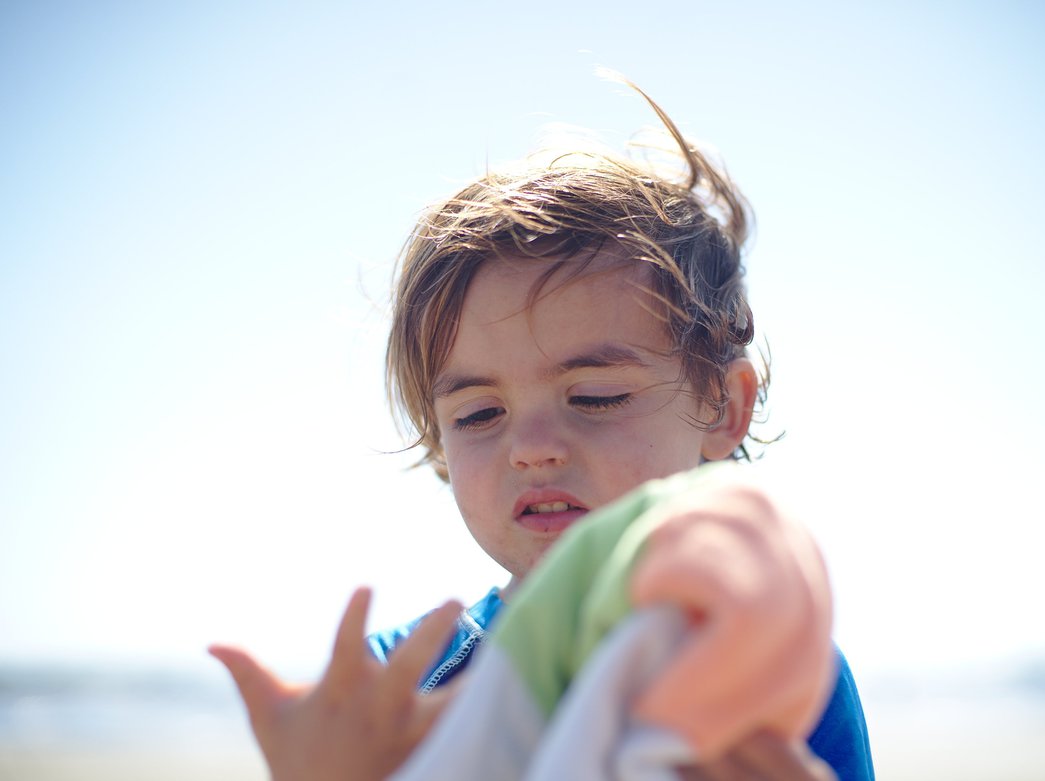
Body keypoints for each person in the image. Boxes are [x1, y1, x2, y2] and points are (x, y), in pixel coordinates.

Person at [211, 78, 874, 781]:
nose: (531, 449)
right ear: (438, 439)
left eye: (593, 397)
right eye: (478, 414)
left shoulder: (771, 667)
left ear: (722, 404)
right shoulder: (400, 692)